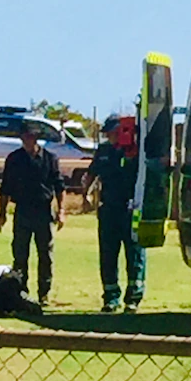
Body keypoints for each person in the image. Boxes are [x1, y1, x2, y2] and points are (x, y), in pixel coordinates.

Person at [0, 121, 65, 306]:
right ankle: (21, 291)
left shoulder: (50, 158)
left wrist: (61, 211)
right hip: (23, 211)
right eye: (25, 136)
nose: (28, 140)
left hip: (44, 211)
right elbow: (5, 188)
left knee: (45, 254)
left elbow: (59, 186)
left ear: (36, 138)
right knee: (20, 254)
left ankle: (44, 293)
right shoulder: (14, 159)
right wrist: (2, 213)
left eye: (31, 136)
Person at [84, 114, 145, 313]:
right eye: (108, 133)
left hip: (130, 209)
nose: (110, 137)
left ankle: (133, 298)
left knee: (134, 253)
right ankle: (111, 297)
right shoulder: (103, 151)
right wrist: (86, 194)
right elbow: (92, 173)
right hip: (109, 208)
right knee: (108, 254)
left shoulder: (135, 150)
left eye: (113, 133)